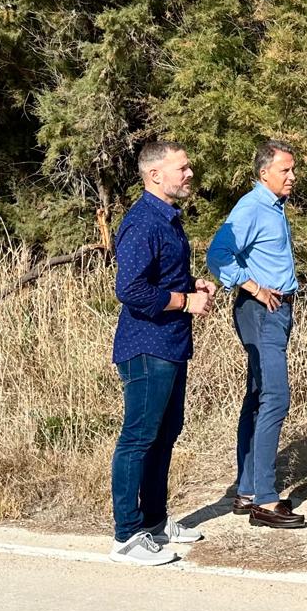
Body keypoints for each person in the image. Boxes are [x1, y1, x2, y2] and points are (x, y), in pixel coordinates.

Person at [108, 140, 217, 566]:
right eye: (182, 168)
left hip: (170, 344)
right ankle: (126, 537)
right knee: (138, 437)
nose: (189, 174)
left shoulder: (168, 219)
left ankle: (154, 522)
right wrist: (183, 301)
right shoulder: (143, 222)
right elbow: (130, 289)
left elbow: (161, 276)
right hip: (145, 346)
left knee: (165, 434)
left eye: (188, 167)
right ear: (155, 175)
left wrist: (193, 285)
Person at [206, 139, 307, 530]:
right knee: (275, 397)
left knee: (259, 396)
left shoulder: (273, 207)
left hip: (275, 311)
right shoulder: (251, 207)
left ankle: (248, 490)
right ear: (264, 173)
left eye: (292, 169)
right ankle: (265, 500)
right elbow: (218, 256)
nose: (292, 177)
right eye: (285, 170)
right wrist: (253, 287)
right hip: (262, 311)